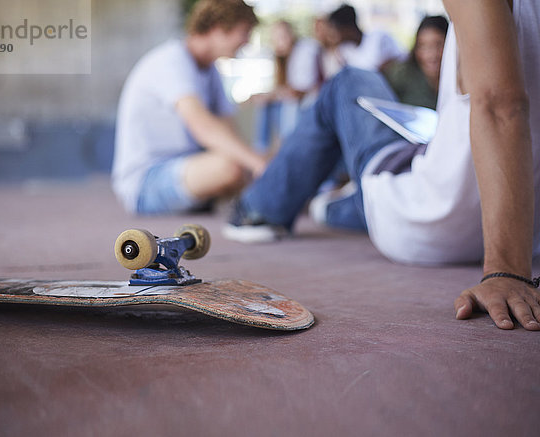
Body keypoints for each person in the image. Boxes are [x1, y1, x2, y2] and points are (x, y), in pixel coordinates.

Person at [223, 0, 540, 331]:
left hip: (432, 222)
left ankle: (259, 210)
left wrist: (506, 270)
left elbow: (500, 104)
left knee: (349, 81)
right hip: (528, 231)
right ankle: (334, 205)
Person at [112, 0, 266, 215]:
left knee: (247, 160)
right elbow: (202, 127)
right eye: (244, 32)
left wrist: (259, 161)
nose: (246, 42)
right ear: (218, 27)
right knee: (232, 166)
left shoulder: (210, 69)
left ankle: (269, 197)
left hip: (186, 168)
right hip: (145, 183)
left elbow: (228, 131)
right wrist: (259, 165)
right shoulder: (172, 60)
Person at [252, 20, 322, 152]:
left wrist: (271, 95)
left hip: (310, 106)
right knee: (265, 105)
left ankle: (286, 148)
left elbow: (298, 92)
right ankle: (261, 150)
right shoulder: (285, 58)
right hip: (297, 106)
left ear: (291, 35)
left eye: (282, 37)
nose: (278, 42)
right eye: (275, 38)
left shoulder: (305, 50)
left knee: (288, 103)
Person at [320, 4, 404, 78]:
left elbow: (396, 64)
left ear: (347, 29)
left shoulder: (378, 37)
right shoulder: (344, 52)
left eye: (334, 30)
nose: (330, 35)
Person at [383, 16, 449, 109]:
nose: (431, 55)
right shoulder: (402, 75)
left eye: (438, 45)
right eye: (423, 46)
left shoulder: (461, 80)